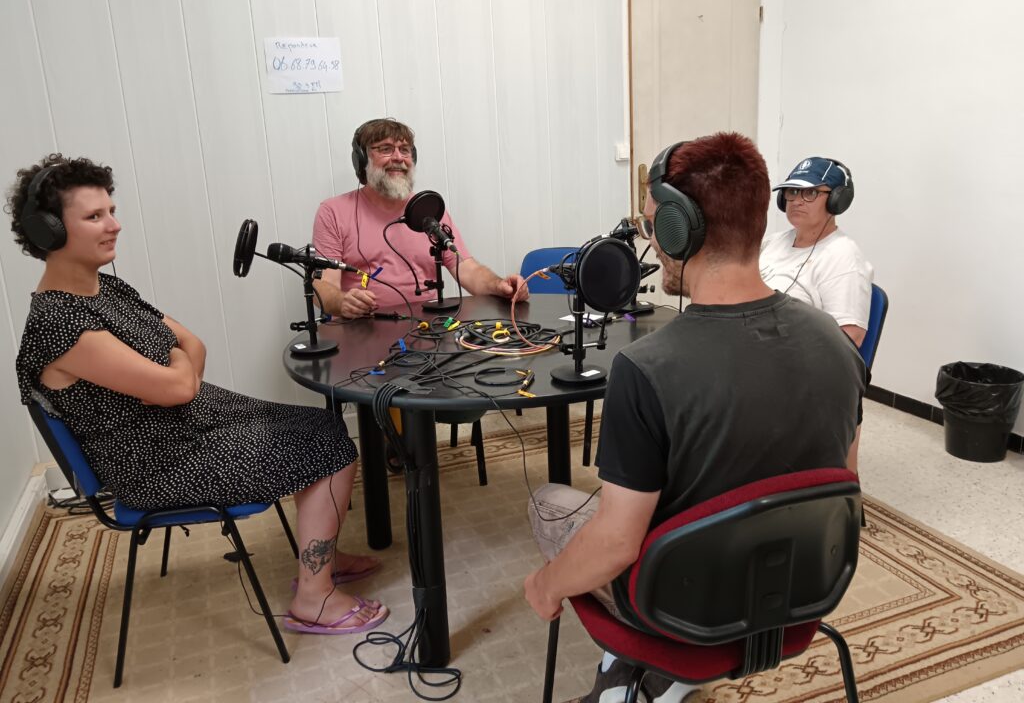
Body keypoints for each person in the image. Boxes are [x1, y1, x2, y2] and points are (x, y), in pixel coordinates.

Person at [523, 134, 866, 703]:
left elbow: (614, 544)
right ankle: (655, 680)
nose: (653, 240)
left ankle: (634, 670)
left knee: (549, 504)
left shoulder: (644, 368)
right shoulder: (839, 345)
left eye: (654, 224)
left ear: (681, 230)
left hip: (680, 607)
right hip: (802, 592)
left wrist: (545, 585)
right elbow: (844, 484)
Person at [10, 154, 387, 636]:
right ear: (49, 233)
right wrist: (174, 377)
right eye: (94, 216)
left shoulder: (105, 290)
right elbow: (181, 379)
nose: (115, 225)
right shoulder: (58, 323)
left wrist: (173, 377)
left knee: (325, 423)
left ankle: (320, 554)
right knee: (327, 446)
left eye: (111, 210)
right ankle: (314, 596)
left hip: (186, 421)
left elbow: (194, 346)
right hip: (157, 462)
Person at [311, 118, 528, 318]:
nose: (398, 158)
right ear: (361, 159)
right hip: (363, 328)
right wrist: (342, 302)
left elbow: (466, 269)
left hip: (426, 328)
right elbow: (322, 285)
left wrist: (499, 286)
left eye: (405, 150)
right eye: (385, 149)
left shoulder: (428, 208)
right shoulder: (333, 211)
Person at [759, 157, 874, 348]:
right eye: (792, 192)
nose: (797, 201)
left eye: (810, 193)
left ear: (837, 200)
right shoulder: (772, 242)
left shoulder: (843, 256)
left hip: (791, 362)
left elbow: (849, 338)